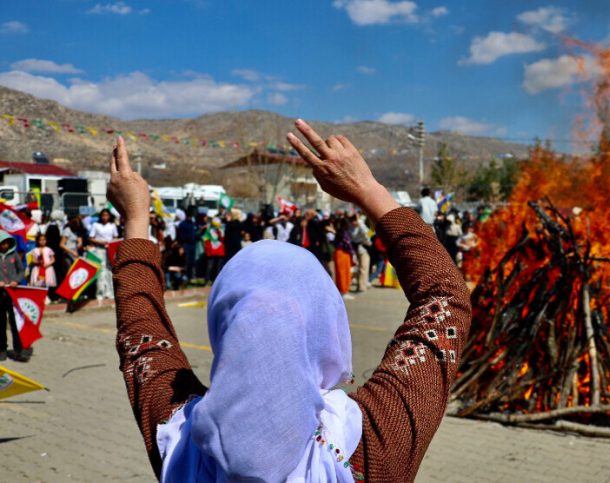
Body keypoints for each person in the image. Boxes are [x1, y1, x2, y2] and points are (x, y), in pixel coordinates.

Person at [109, 119, 470, 481]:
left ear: (224, 327)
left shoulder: (177, 437)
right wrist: (368, 190)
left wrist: (136, 218)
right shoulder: (376, 442)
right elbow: (445, 295)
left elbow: (141, 333)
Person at [0, 231, 26, 361]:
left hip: (13, 294)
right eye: (2, 243)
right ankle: (2, 349)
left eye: (7, 243)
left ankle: (18, 350)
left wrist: (16, 280)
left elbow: (21, 270)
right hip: (0, 294)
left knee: (15, 322)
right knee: (1, 323)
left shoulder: (14, 255)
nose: (5, 245)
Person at [89, 208, 119, 300]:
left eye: (106, 215)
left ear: (109, 216)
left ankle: (110, 292)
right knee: (100, 271)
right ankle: (100, 293)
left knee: (109, 270)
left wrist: (110, 243)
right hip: (99, 249)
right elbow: (91, 238)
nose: (104, 217)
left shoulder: (112, 225)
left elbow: (115, 237)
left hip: (109, 250)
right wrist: (100, 242)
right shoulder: (96, 225)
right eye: (103, 215)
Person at [349, 214, 372, 293]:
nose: (354, 222)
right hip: (359, 249)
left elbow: (369, 234)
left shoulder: (362, 226)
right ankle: (361, 286)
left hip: (365, 249)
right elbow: (354, 238)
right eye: (352, 220)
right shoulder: (351, 228)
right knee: (361, 268)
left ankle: (362, 285)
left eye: (355, 220)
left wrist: (361, 224)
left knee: (364, 268)